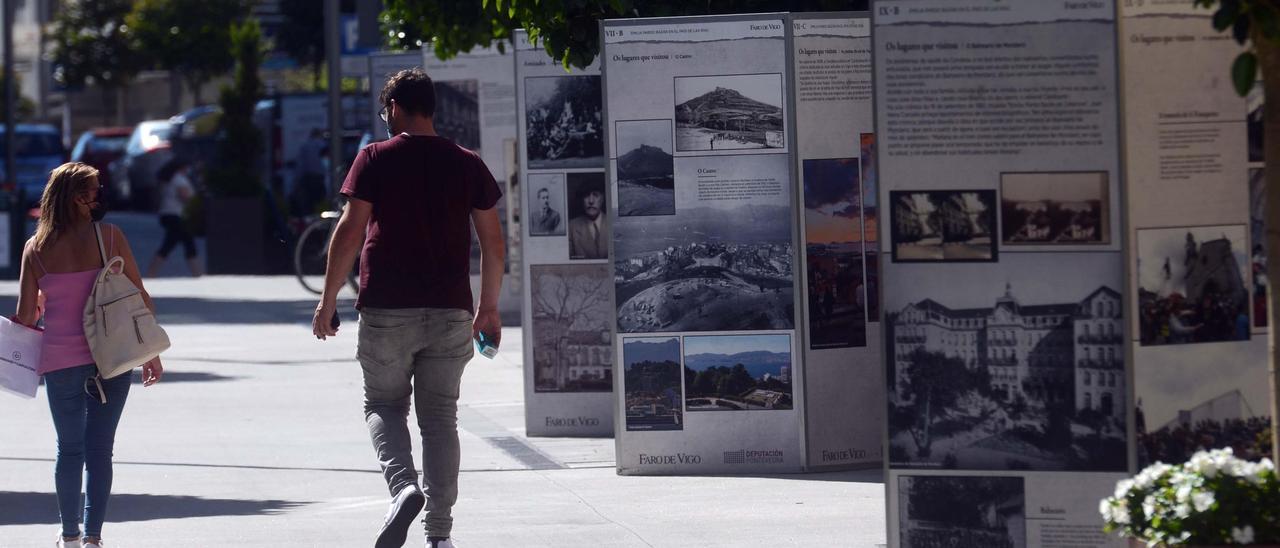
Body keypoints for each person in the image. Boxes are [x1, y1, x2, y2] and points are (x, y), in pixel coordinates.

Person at [312, 68, 504, 548]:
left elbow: (351, 231)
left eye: (385, 111)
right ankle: (439, 537)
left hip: (387, 307)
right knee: (440, 419)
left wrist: (328, 298)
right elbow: (494, 244)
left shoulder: (375, 157)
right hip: (450, 308)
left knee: (382, 404)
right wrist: (489, 309)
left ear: (395, 106)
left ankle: (403, 489)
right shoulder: (466, 162)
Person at [16, 162, 164, 548]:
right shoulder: (110, 238)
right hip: (112, 356)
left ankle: (68, 536)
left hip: (60, 360)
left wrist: (49, 300)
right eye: (96, 190)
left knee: (69, 450)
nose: (101, 195)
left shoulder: (36, 249)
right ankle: (93, 538)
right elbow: (138, 294)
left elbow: (26, 316)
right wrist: (150, 350)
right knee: (100, 449)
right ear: (80, 197)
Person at [146, 159, 202, 277]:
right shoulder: (179, 179)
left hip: (169, 215)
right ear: (183, 168)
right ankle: (197, 273)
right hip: (176, 215)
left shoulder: (170, 179)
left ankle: (197, 273)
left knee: (181, 242)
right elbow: (185, 196)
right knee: (175, 243)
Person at [568, 187, 607, 259]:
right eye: (586, 195)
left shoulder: (612, 223)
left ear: (603, 199)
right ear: (582, 200)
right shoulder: (571, 226)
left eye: (595, 195)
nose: (591, 201)